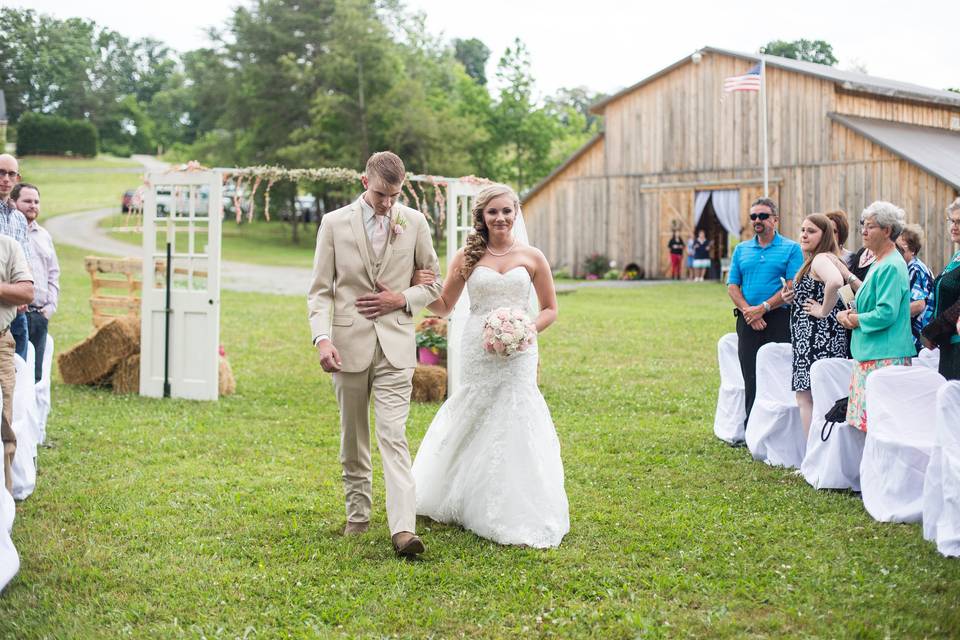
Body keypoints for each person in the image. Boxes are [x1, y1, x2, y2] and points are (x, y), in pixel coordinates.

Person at [411, 183, 569, 548]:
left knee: (515, 413)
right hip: (477, 349)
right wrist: (418, 286)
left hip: (520, 351)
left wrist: (526, 329)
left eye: (506, 211)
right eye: (492, 212)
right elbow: (444, 306)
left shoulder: (533, 257)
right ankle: (458, 492)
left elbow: (550, 309)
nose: (500, 218)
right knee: (476, 409)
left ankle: (516, 502)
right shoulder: (467, 256)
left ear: (516, 213)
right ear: (482, 216)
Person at [307, 151, 442, 557]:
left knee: (393, 435)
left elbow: (433, 284)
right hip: (347, 346)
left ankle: (403, 529)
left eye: (395, 195)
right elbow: (320, 290)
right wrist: (322, 339)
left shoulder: (414, 222)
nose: (388, 204)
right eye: (382, 194)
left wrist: (401, 297)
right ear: (365, 182)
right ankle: (358, 515)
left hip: (397, 346)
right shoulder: (333, 224)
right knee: (354, 436)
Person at [836, 201, 915, 431]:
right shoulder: (879, 261)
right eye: (863, 225)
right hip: (872, 353)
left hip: (885, 356)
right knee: (871, 427)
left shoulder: (891, 265)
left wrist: (854, 320)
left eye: (870, 226)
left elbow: (886, 313)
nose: (863, 231)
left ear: (887, 230)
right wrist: (854, 312)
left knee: (883, 427)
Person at [727, 197, 803, 426]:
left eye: (763, 216)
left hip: (779, 319)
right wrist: (750, 312)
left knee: (778, 375)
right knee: (749, 375)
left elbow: (791, 286)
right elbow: (732, 286)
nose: (757, 220)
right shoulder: (741, 250)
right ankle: (751, 427)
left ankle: (780, 429)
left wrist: (764, 308)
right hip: (748, 320)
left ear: (775, 219)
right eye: (753, 217)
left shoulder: (791, 248)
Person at [788, 214, 850, 435]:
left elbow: (835, 282)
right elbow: (850, 292)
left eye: (811, 231)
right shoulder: (829, 258)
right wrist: (794, 298)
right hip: (822, 336)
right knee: (822, 395)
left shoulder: (821, 259)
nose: (804, 234)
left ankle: (811, 455)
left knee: (806, 397)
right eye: (803, 229)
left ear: (824, 235)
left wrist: (822, 310)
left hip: (815, 338)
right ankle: (818, 455)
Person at [12, 183, 59, 382]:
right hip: (15, 314)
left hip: (39, 315)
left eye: (36, 201)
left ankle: (29, 414)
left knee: (35, 376)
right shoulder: (11, 231)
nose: (33, 205)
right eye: (27, 201)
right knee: (14, 373)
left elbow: (53, 273)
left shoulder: (44, 236)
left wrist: (49, 308)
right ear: (14, 202)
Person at [0, 234, 34, 492]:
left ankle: (4, 499)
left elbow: (26, 292)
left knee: (4, 424)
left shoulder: (8, 245)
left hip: (0, 343)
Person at [921, 197, 960, 380]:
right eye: (951, 221)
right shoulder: (956, 256)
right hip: (949, 345)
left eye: (959, 222)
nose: (954, 226)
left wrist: (932, 331)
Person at [0, 155, 32, 362]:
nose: (6, 179)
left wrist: (22, 291)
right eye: (1, 173)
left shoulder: (19, 218)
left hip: (16, 304)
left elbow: (26, 260)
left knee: (18, 368)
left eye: (11, 174)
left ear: (17, 178)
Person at [895, 224, 934, 353]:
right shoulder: (910, 267)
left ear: (912, 250)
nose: (896, 253)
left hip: (917, 340)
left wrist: (891, 316)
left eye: (901, 249)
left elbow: (918, 305)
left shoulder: (915, 269)